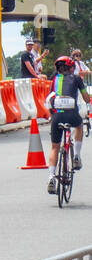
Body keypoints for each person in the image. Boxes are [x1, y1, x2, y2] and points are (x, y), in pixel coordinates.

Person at [45, 56, 91, 193]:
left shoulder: (54, 80)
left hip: (57, 116)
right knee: (79, 126)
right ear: (71, 68)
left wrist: (51, 115)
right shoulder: (77, 79)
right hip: (72, 114)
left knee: (54, 147)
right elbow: (86, 97)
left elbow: (49, 100)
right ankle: (76, 156)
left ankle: (51, 178)